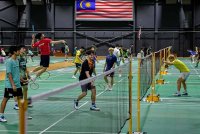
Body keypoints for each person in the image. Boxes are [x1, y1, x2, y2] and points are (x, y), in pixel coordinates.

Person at [0, 46, 22, 122]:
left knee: (20, 99)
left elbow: (16, 72)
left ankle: (22, 116)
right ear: (14, 52)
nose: (19, 52)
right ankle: (1, 116)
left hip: (18, 84)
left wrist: (21, 79)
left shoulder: (17, 60)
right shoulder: (9, 61)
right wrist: (13, 85)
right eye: (18, 51)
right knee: (6, 99)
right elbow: (9, 74)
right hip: (10, 85)